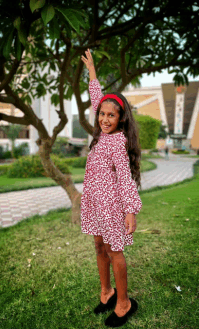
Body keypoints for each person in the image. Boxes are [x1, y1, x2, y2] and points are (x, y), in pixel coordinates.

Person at [80, 49, 142, 328]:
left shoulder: (117, 141)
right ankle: (106, 292)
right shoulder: (100, 134)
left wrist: (130, 210)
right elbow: (97, 99)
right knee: (98, 245)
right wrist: (92, 72)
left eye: (111, 116)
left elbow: (126, 178)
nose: (105, 119)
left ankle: (124, 302)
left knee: (114, 250)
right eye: (102, 115)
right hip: (94, 202)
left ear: (121, 120)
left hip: (111, 205)